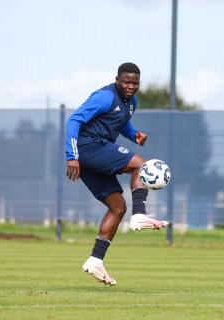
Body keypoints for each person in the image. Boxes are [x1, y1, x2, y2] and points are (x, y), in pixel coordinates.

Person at [65, 62, 168, 286]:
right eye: (127, 82)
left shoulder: (132, 103)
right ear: (117, 80)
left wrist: (134, 135)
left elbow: (120, 121)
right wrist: (71, 155)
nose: (131, 86)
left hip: (92, 153)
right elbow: (74, 120)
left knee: (118, 207)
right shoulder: (104, 97)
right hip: (88, 147)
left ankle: (95, 260)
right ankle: (140, 213)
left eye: (135, 83)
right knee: (140, 164)